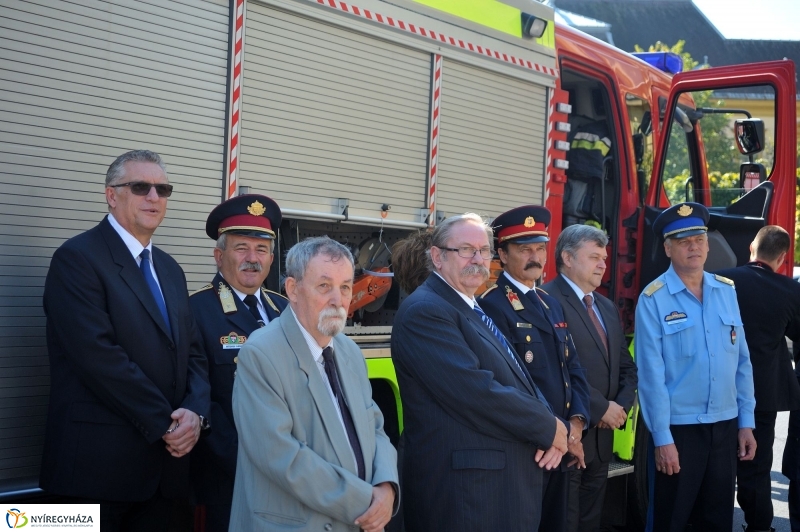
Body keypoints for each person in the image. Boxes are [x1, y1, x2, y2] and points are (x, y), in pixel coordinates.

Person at [40, 150, 211, 531]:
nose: (154, 196)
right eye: (141, 186)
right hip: (94, 477)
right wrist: (169, 425)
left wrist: (196, 415)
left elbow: (194, 354)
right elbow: (98, 359)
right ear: (111, 195)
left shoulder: (170, 268)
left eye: (163, 189)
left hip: (167, 482)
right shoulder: (76, 259)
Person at [392, 213, 568, 532]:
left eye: (483, 250)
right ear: (437, 257)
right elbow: (476, 391)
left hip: (494, 490)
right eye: (465, 250)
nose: (477, 258)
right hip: (468, 498)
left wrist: (553, 424)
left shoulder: (470, 306)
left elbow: (519, 377)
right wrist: (548, 427)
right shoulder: (426, 311)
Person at [229, 237, 398, 532]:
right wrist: (366, 502)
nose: (338, 299)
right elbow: (283, 458)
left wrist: (386, 486)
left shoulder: (349, 351)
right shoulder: (261, 355)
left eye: (345, 286)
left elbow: (375, 426)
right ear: (293, 290)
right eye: (324, 286)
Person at [635, 202, 756, 532]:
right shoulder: (654, 298)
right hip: (680, 432)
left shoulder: (726, 291)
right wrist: (662, 438)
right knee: (670, 518)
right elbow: (651, 377)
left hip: (725, 425)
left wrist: (746, 422)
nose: (694, 247)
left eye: (699, 239)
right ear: (668, 247)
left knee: (717, 520)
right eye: (683, 241)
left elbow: (742, 362)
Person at [479, 205, 591, 532]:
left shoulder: (548, 301)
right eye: (524, 248)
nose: (535, 256)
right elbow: (510, 383)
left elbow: (573, 368)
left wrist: (576, 425)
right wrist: (551, 435)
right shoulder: (493, 305)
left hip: (562, 447)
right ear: (501, 253)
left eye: (540, 248)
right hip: (530, 450)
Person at [189, 194, 288, 531]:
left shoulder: (285, 310)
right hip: (227, 475)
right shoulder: (195, 311)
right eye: (241, 248)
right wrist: (249, 461)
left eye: (261, 250)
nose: (252, 259)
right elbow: (199, 395)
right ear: (219, 256)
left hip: (286, 471)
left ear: (271, 259)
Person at [541, 224, 638, 532]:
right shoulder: (545, 300)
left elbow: (627, 367)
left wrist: (618, 409)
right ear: (568, 258)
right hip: (567, 437)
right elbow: (554, 370)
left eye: (604, 258)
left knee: (590, 522)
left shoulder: (606, 307)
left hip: (601, 440)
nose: (603, 265)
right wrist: (600, 409)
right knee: (562, 522)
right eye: (594, 257)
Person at [716, 225, 800, 532]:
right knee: (756, 469)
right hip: (763, 394)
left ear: (752, 246)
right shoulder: (791, 290)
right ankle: (760, 526)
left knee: (715, 465)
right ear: (782, 256)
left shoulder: (720, 281)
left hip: (718, 390)